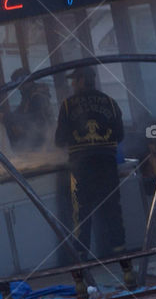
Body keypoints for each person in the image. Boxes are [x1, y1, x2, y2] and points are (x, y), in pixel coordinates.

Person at [54, 67, 131, 282]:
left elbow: (59, 140)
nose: (72, 85)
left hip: (81, 164)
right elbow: (120, 134)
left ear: (80, 80)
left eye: (74, 80)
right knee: (112, 207)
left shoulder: (68, 106)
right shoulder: (110, 102)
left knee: (81, 210)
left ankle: (81, 258)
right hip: (106, 162)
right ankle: (120, 252)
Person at [6, 67, 53, 151]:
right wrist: (8, 117)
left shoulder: (37, 97)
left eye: (19, 85)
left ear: (27, 81)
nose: (18, 88)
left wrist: (8, 117)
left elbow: (35, 120)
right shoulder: (27, 96)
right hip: (33, 140)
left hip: (42, 142)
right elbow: (20, 111)